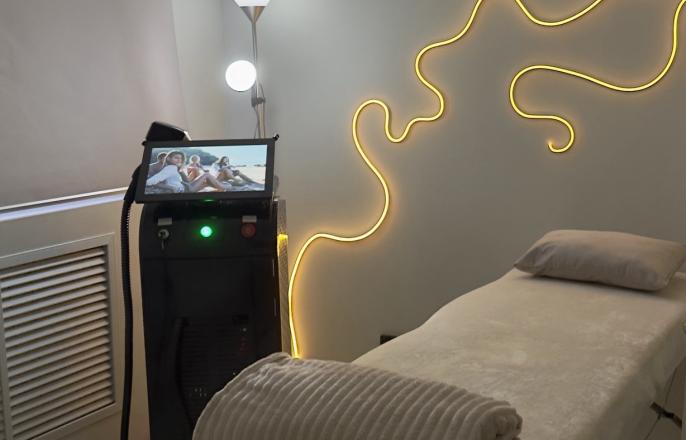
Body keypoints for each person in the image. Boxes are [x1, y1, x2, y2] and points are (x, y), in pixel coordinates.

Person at [146, 151, 227, 193]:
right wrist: (171, 188)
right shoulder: (170, 168)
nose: (179, 160)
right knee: (206, 175)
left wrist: (180, 171)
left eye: (180, 158)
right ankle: (224, 188)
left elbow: (186, 181)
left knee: (208, 183)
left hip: (186, 186)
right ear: (168, 158)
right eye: (176, 158)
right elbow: (149, 182)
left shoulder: (172, 168)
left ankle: (222, 189)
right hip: (186, 189)